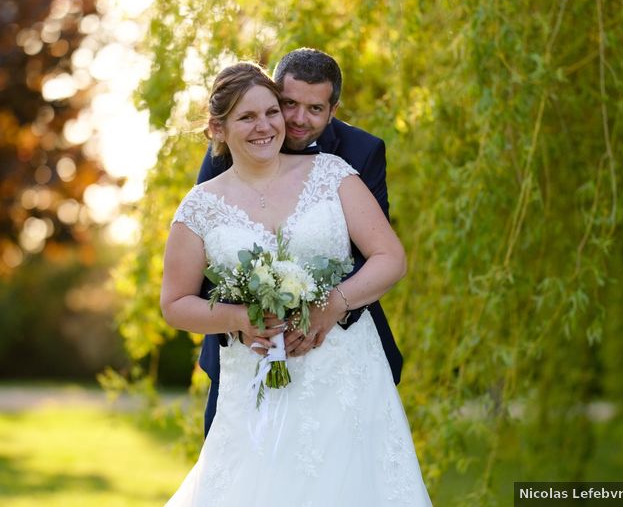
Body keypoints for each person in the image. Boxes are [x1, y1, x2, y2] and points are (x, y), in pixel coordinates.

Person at [161, 62, 430, 505]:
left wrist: (334, 303)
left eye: (271, 112)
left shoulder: (332, 174)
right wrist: (241, 318)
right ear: (218, 128)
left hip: (344, 372)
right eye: (247, 117)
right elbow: (174, 303)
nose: (266, 126)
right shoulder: (201, 205)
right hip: (255, 373)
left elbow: (391, 258)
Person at [196, 48, 403, 436]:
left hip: (338, 348)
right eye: (287, 103)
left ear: (333, 109)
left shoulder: (359, 153)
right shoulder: (231, 146)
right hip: (247, 353)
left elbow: (370, 252)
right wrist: (243, 319)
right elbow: (210, 245)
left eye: (314, 109)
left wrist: (327, 307)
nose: (296, 119)